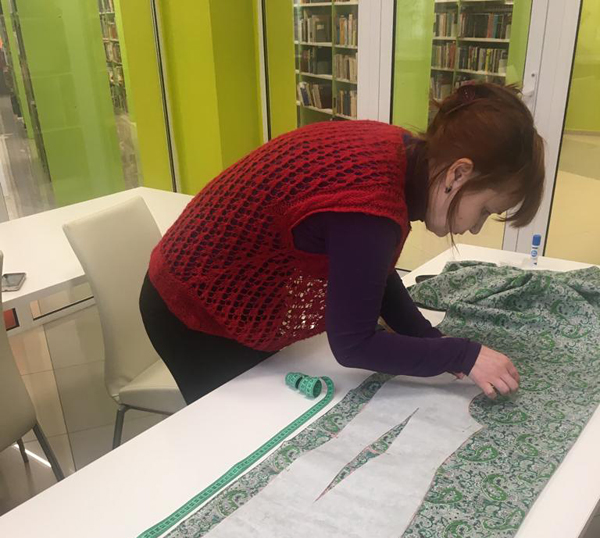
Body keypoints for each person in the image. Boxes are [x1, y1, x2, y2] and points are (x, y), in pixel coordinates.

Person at [140, 81, 544, 404]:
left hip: (230, 284)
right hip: (193, 307)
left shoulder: (402, 153)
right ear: (458, 174)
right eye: (485, 210)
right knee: (235, 437)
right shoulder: (371, 205)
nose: (476, 228)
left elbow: (372, 273)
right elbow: (354, 344)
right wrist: (459, 354)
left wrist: (437, 343)